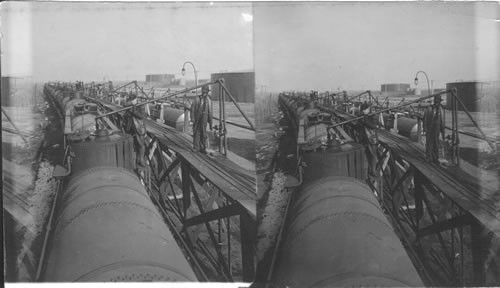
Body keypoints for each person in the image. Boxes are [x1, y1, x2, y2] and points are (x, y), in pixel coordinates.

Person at [423, 95, 445, 164]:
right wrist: (425, 128)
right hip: (430, 129)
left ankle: (435, 158)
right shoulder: (429, 108)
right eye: (436, 101)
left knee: (436, 143)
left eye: (439, 101)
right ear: (435, 101)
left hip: (437, 129)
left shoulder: (441, 109)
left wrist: (443, 131)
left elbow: (442, 121)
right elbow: (425, 119)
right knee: (429, 143)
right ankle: (429, 158)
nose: (437, 103)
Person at [191, 85, 213, 153]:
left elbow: (210, 112)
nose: (204, 93)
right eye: (203, 92)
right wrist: (192, 118)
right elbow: (193, 109)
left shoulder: (209, 100)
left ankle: (203, 148)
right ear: (202, 92)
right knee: (196, 132)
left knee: (203, 133)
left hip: (204, 118)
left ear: (207, 92)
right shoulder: (197, 99)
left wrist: (210, 123)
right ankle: (196, 147)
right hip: (197, 117)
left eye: (206, 92)